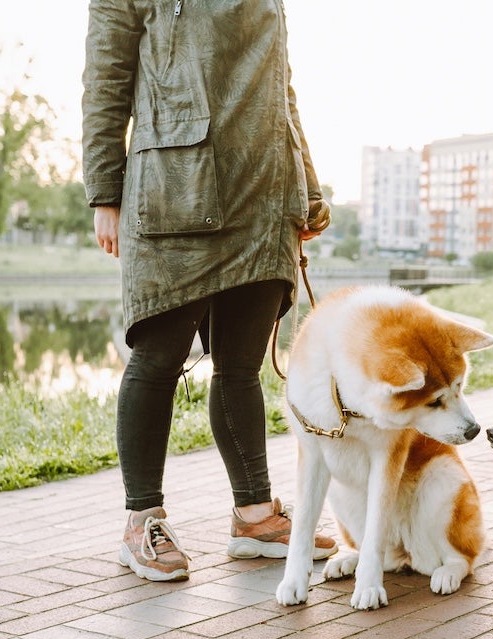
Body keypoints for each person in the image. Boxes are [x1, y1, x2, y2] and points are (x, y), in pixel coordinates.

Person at [82, 0, 337, 582]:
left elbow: (283, 93)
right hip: (177, 187)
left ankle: (252, 516)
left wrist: (308, 189)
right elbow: (105, 81)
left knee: (240, 368)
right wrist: (105, 192)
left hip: (264, 189)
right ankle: (141, 518)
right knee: (157, 358)